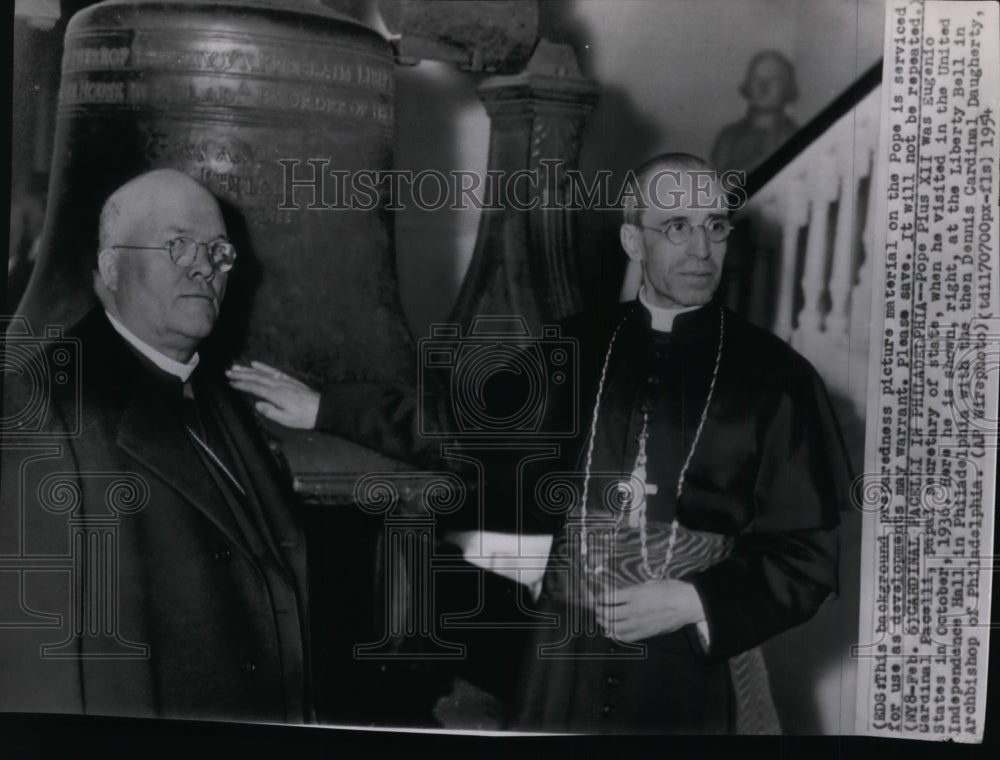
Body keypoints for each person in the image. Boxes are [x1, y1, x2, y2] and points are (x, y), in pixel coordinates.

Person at [225, 153, 852, 734]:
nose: (701, 249)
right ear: (633, 239)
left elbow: (808, 557)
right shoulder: (573, 348)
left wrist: (692, 600)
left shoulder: (778, 379)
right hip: (566, 647)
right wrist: (327, 409)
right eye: (677, 227)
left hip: (686, 656)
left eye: (715, 227)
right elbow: (464, 425)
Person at [0, 169, 312, 723]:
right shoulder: (42, 405)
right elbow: (41, 668)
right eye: (177, 245)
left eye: (219, 251)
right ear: (112, 267)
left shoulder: (215, 393)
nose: (204, 266)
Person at [710, 50, 799, 175]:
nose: (764, 86)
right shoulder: (727, 138)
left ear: (787, 87)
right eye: (756, 78)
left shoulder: (795, 138)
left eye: (774, 79)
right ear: (747, 85)